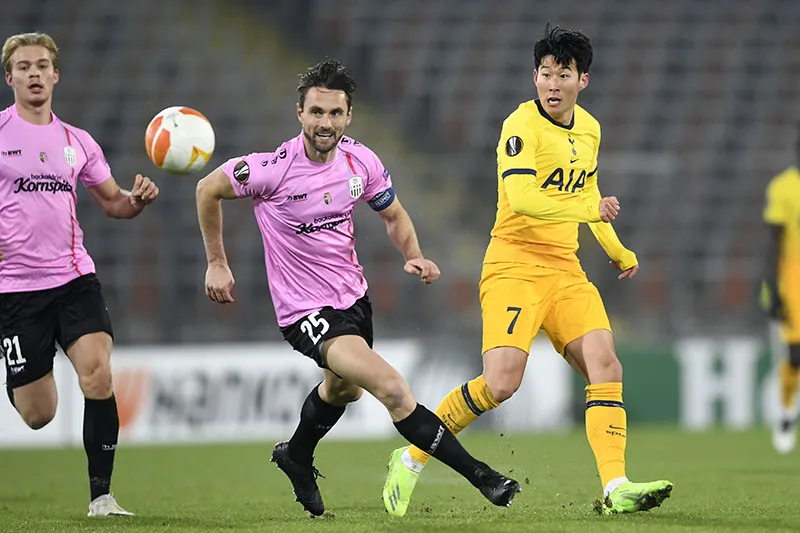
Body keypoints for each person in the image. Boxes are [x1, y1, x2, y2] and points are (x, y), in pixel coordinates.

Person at [195, 59, 520, 517]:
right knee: (392, 389)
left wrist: (413, 254)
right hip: (304, 313)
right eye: (315, 112)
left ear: (347, 116)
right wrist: (216, 262)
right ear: (299, 114)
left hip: (353, 302)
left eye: (334, 113)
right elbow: (207, 189)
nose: (324, 123)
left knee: (342, 391)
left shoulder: (360, 160)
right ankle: (483, 476)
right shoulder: (271, 169)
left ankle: (296, 455)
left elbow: (393, 214)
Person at [382, 25, 673, 517]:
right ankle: (410, 454)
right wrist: (588, 213)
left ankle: (615, 486)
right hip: (513, 264)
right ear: (533, 76)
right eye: (545, 74)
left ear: (584, 80)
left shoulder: (590, 129)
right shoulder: (521, 127)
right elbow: (524, 198)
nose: (553, 84)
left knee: (606, 363)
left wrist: (617, 248)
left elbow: (588, 198)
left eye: (564, 74)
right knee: (501, 383)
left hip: (565, 268)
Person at [0, 32, 159, 516]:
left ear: (55, 75)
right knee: (38, 414)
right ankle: (22, 369)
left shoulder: (77, 142)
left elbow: (113, 203)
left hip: (73, 278)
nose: (33, 73)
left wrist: (136, 201)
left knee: (97, 373)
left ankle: (101, 497)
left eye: (42, 65)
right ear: (10, 78)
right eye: (23, 66)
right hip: (15, 290)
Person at [761, 127, 800, 454]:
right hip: (794, 280)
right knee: (796, 355)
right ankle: (787, 413)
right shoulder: (784, 187)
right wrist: (772, 289)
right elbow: (773, 242)